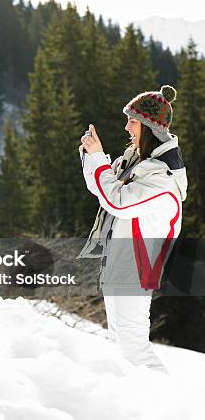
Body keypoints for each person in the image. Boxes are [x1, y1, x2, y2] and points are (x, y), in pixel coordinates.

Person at [79, 85, 187, 373]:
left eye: (133, 120)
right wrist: (92, 157)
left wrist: (99, 157)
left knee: (133, 349)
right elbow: (104, 189)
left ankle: (173, 408)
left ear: (150, 127)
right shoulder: (137, 162)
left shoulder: (162, 177)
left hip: (136, 268)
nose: (126, 126)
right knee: (120, 346)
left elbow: (118, 202)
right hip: (120, 262)